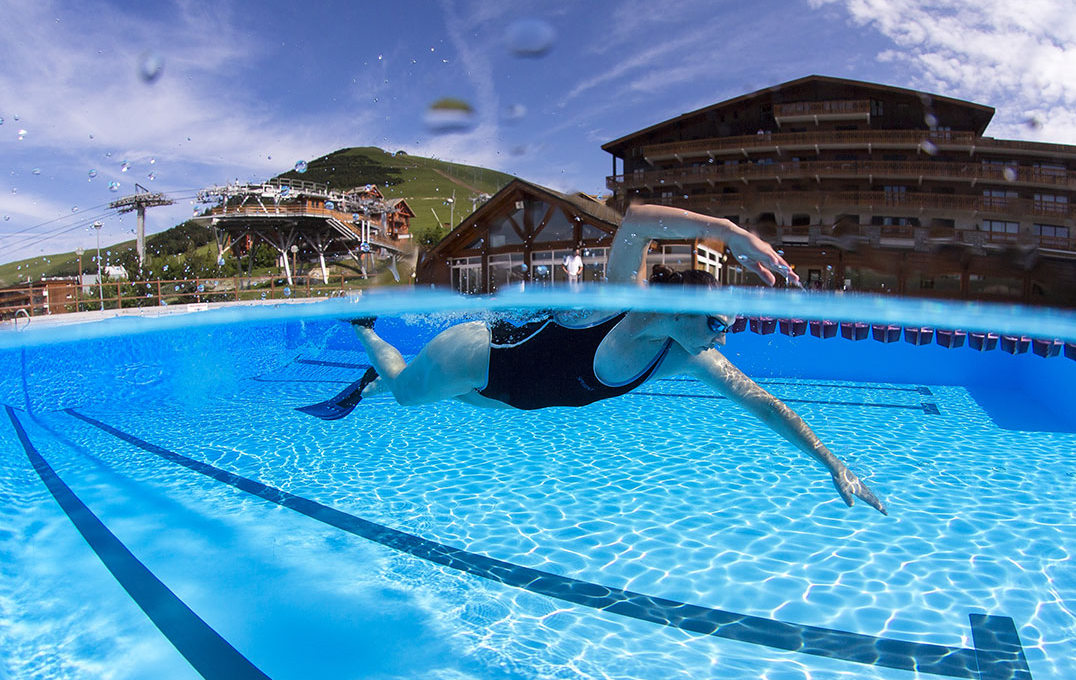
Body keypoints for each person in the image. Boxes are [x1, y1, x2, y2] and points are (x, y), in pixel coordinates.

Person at [299, 204, 886, 514]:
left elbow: (765, 405)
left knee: (439, 400)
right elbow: (635, 221)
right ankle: (367, 333)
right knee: (405, 394)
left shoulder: (686, 353)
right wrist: (729, 232)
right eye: (716, 323)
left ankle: (381, 375)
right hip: (481, 358)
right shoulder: (620, 300)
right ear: (680, 310)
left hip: (516, 399)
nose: (723, 341)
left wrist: (831, 462)